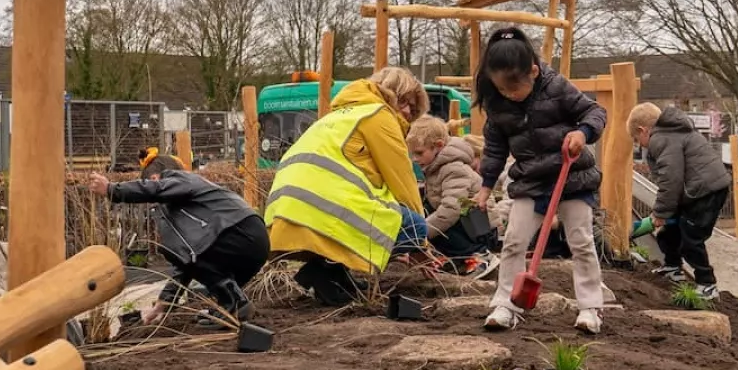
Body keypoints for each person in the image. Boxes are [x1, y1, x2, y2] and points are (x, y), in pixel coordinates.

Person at [472, 27, 608, 335]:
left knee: (581, 242)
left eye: (514, 88)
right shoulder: (497, 104)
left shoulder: (557, 87)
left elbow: (595, 112)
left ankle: (590, 306)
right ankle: (506, 303)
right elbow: (494, 149)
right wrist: (484, 188)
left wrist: (581, 133)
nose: (509, 94)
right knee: (514, 242)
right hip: (531, 182)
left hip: (572, 177)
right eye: (502, 89)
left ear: (533, 71)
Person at [264, 67, 428, 307]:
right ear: (389, 92)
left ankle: (330, 274)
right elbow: (403, 184)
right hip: (322, 215)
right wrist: (421, 246)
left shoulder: (338, 116)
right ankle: (328, 269)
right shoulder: (378, 115)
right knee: (414, 226)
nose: (406, 111)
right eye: (404, 102)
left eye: (412, 110)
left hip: (286, 216)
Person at [87, 155, 269, 321]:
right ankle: (230, 306)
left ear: (155, 178)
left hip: (238, 233)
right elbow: (187, 262)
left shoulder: (178, 178)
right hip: (249, 239)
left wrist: (112, 189)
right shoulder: (190, 203)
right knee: (191, 258)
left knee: (188, 255)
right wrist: (164, 302)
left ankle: (237, 305)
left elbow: (191, 258)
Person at [628, 101, 730, 300]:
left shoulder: (661, 139)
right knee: (669, 231)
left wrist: (659, 214)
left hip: (705, 192)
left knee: (690, 239)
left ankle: (707, 284)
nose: (639, 144)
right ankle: (673, 266)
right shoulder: (673, 133)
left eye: (636, 138)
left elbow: (671, 180)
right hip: (697, 191)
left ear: (643, 130)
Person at [406, 116, 499, 276]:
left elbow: (451, 209)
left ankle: (480, 255)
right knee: (428, 213)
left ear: (439, 146)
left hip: (481, 230)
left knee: (439, 222)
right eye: (412, 154)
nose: (415, 159)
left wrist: (421, 232)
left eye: (420, 153)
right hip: (470, 226)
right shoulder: (435, 168)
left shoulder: (453, 169)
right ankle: (459, 258)